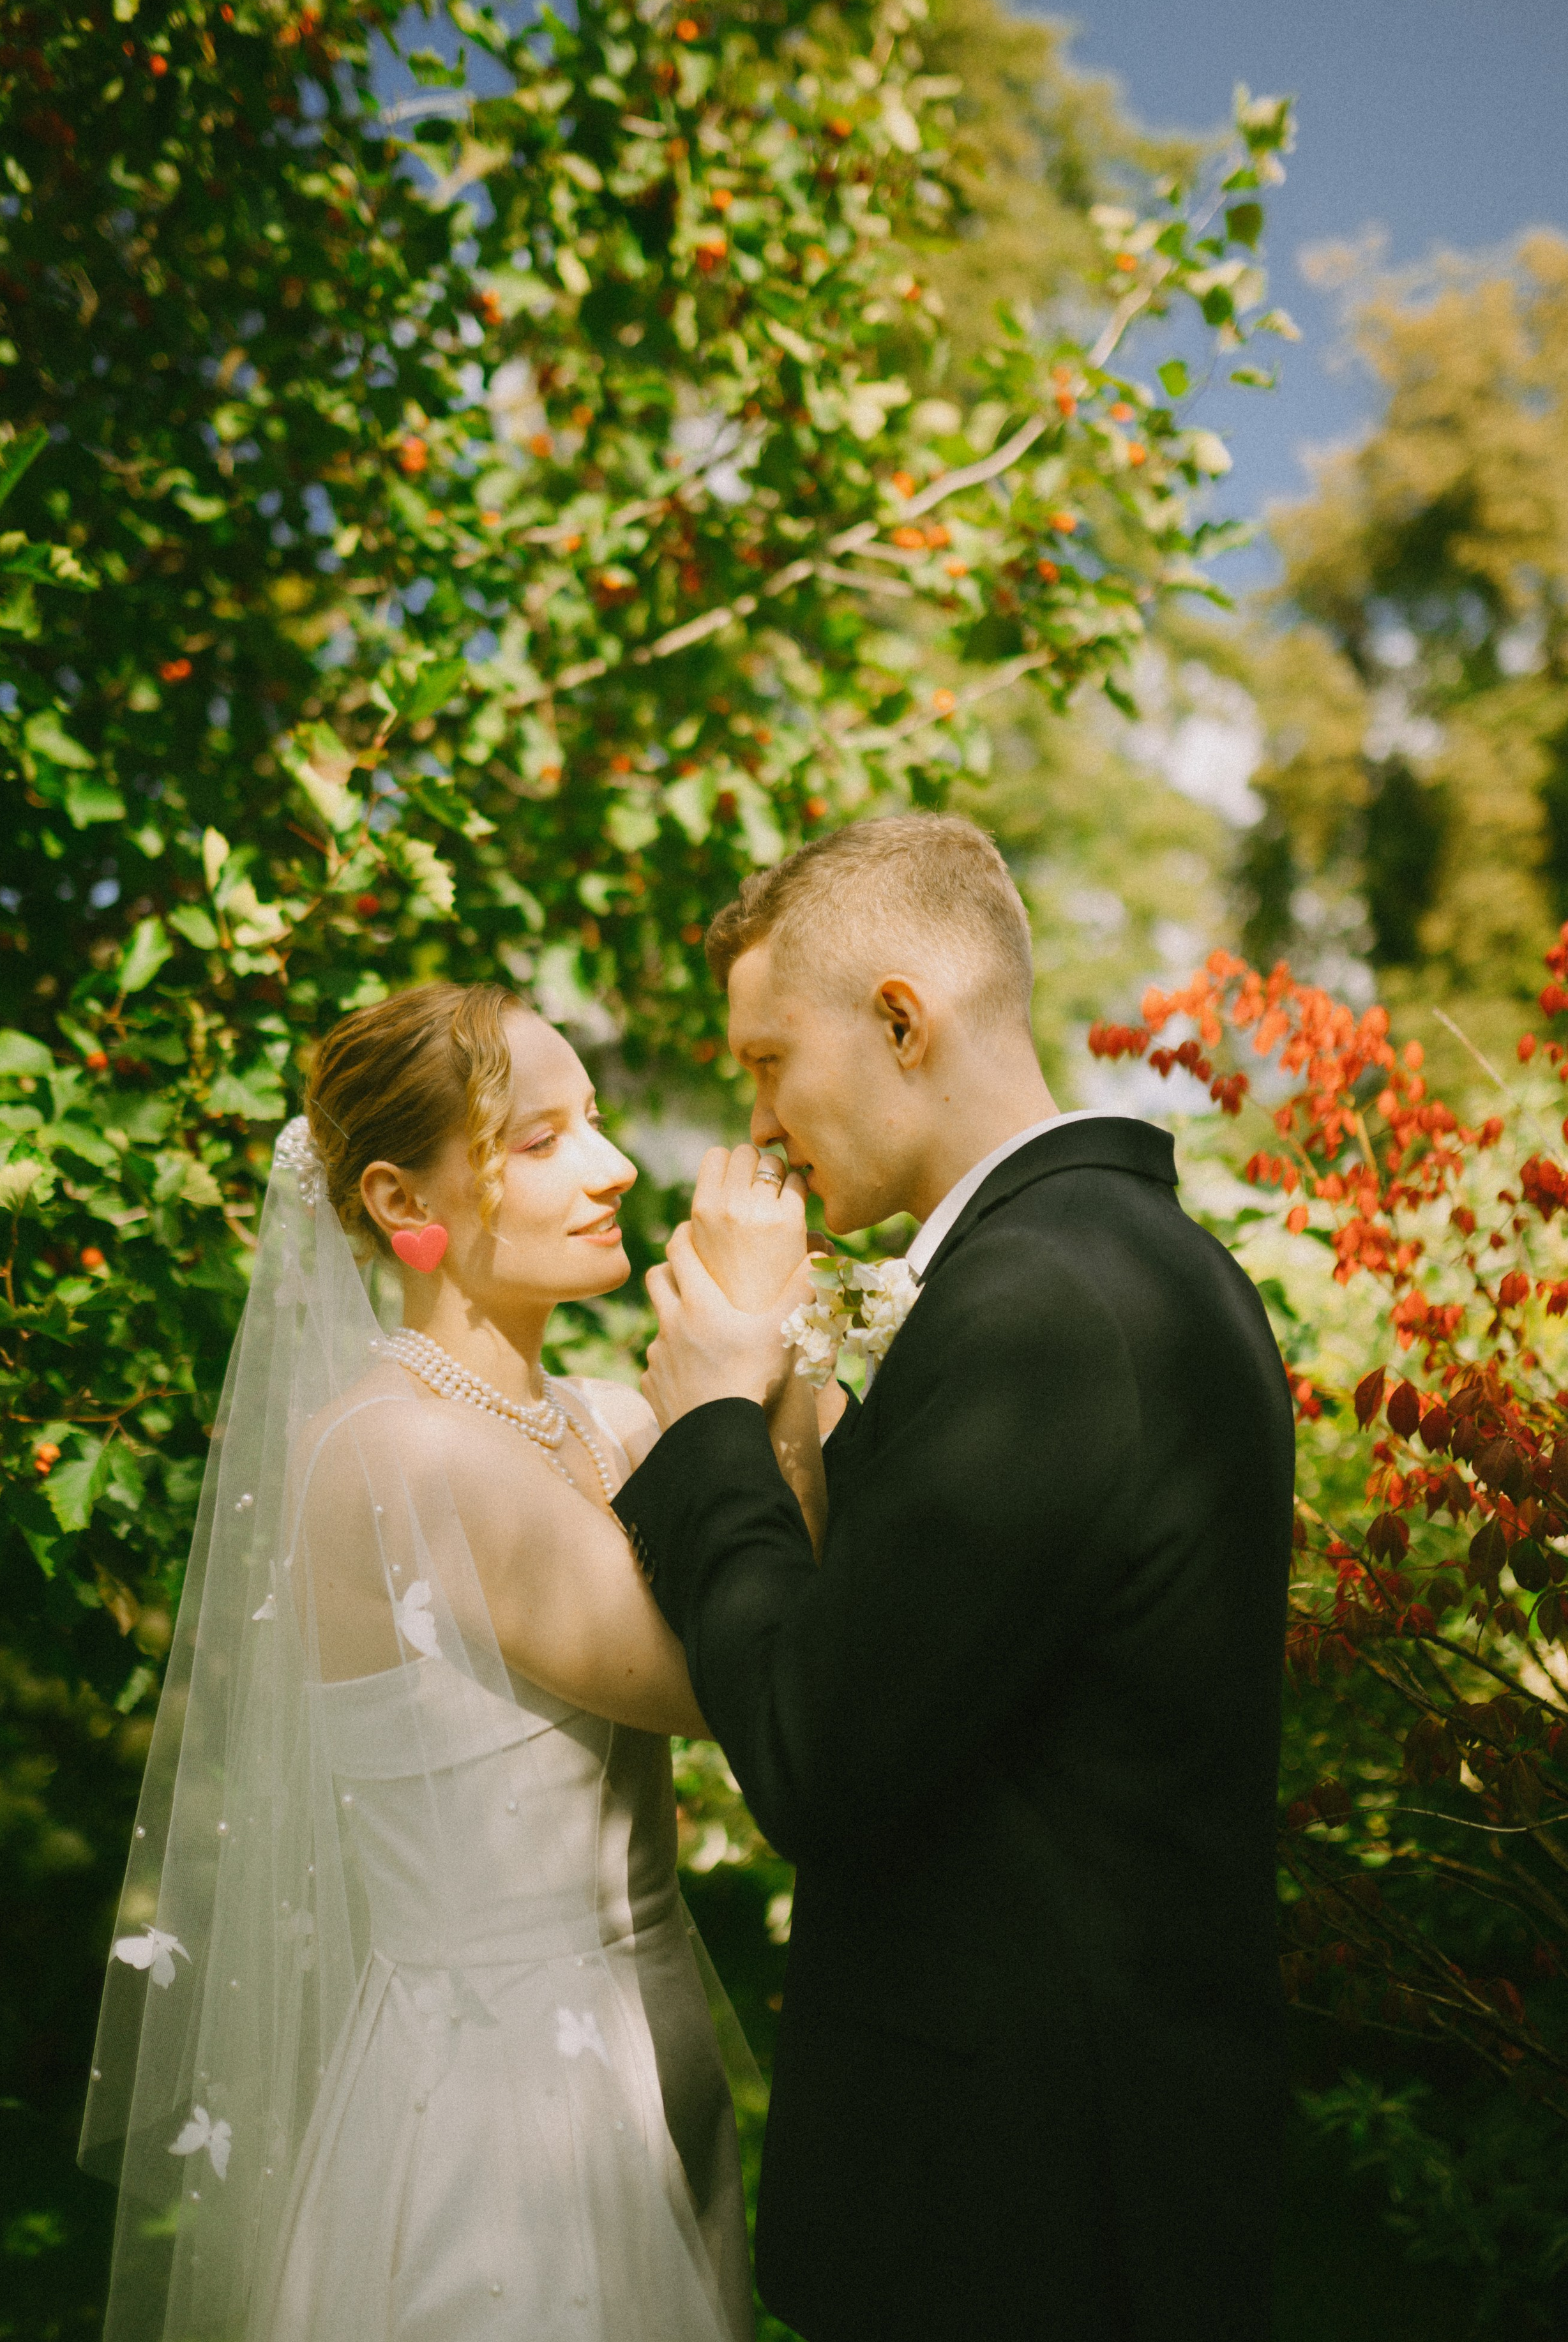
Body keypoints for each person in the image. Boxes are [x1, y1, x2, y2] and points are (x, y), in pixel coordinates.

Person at [615, 813, 1294, 2342]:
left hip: (1024, 2215)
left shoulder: (1043, 1304)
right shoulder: (1119, 1263)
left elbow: (811, 1748)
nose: (761, 1117)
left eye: (768, 1057)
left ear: (901, 1019)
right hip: (1060, 2177)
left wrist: (714, 1417)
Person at [82, 983, 758, 2342]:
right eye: (541, 1137)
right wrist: (746, 1371)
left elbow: (776, 1585)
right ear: (405, 1202)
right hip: (515, 2104)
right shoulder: (399, 1452)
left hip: (659, 2034)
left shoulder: (600, 1416)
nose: (613, 1163)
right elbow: (717, 1675)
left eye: (598, 1123)